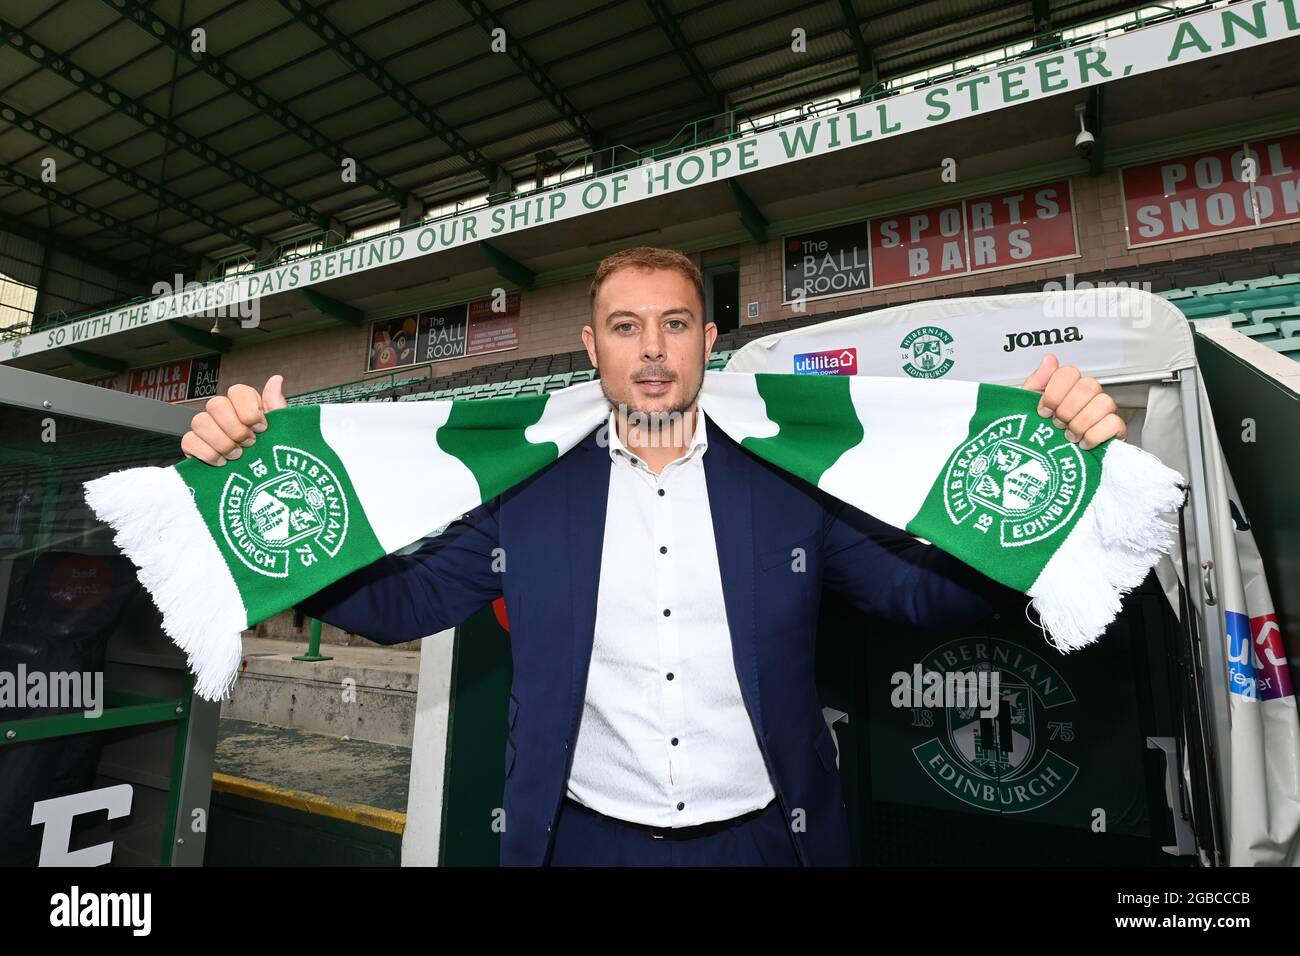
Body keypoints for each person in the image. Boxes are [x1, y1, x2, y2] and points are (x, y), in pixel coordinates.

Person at [180, 246, 1127, 866]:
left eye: (675, 323)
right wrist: (258, 507)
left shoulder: (786, 481)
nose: (652, 350)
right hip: (583, 842)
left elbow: (913, 590)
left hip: (766, 840)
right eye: (626, 327)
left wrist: (1047, 514)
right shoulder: (529, 488)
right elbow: (406, 602)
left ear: (709, 340)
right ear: (593, 346)